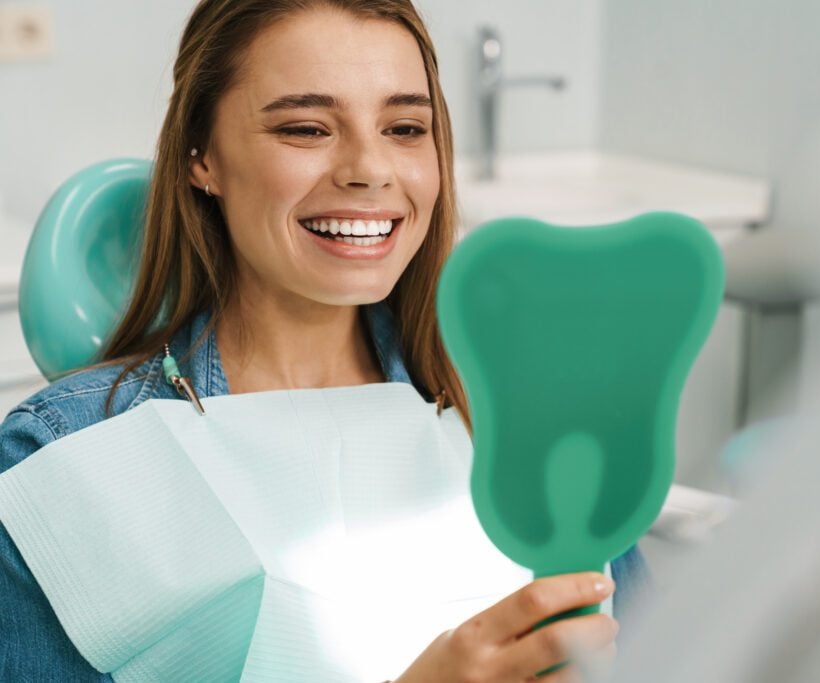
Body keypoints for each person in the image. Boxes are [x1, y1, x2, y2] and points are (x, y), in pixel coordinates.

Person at [0, 1, 650, 681]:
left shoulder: (529, 421)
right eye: (307, 128)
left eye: (404, 127)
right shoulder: (63, 460)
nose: (370, 169)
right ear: (202, 156)